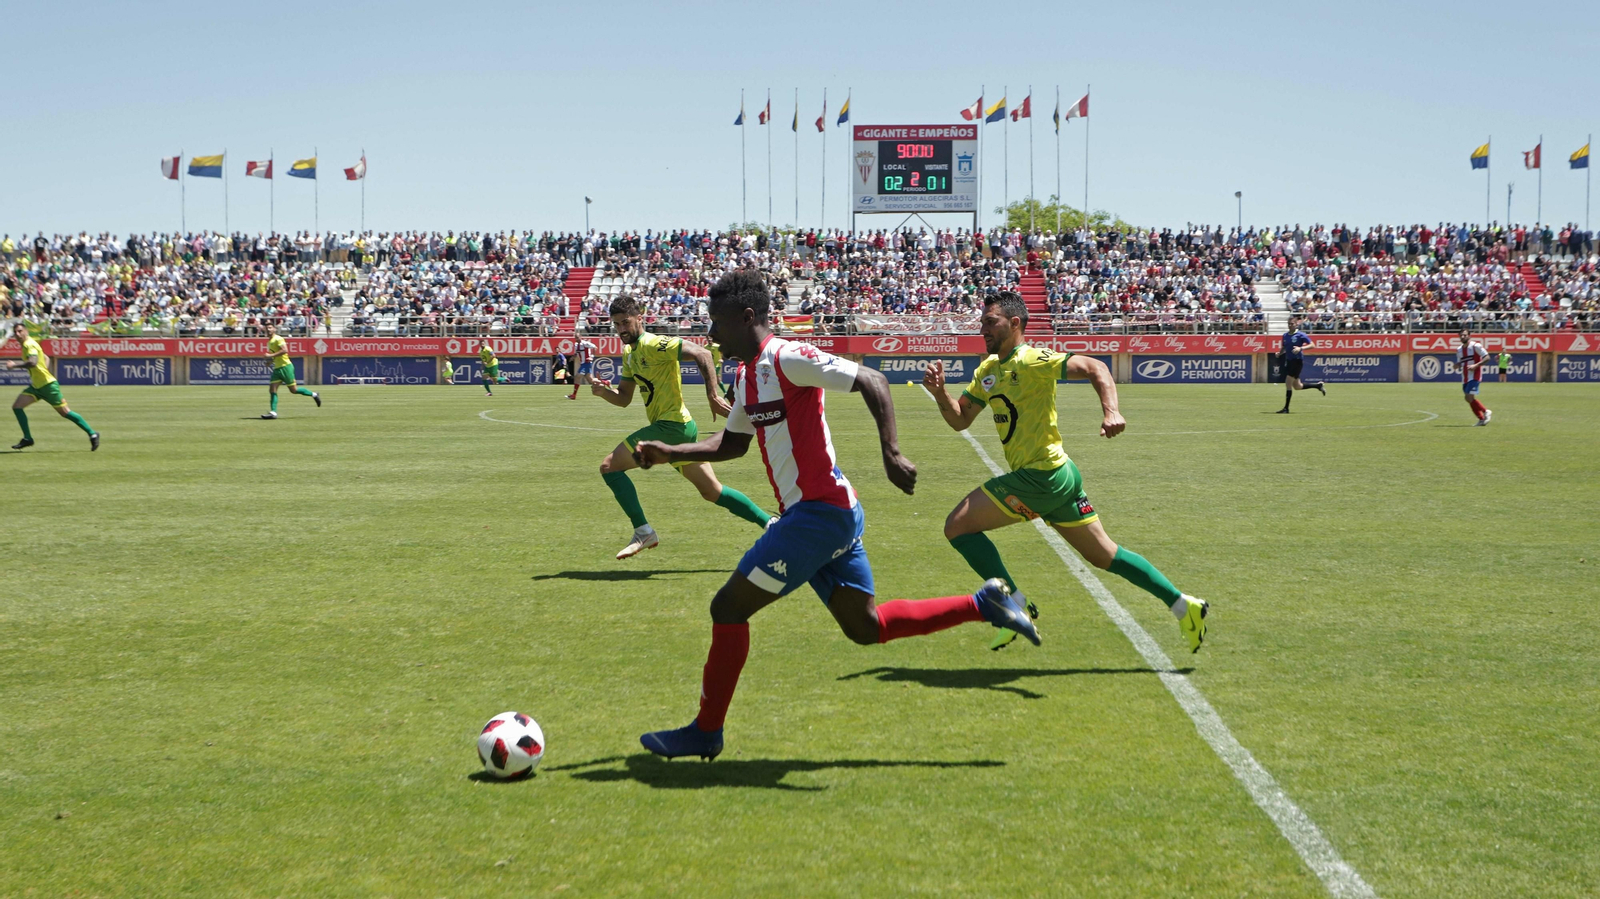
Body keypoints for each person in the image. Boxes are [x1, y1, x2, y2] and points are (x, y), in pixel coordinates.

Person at [632, 270, 1037, 760]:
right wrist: (668, 451)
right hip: (828, 516)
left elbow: (872, 377)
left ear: (746, 317)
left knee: (728, 608)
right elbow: (731, 444)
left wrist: (890, 451)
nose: (711, 336)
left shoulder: (787, 356)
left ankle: (705, 731)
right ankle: (984, 605)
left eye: (717, 323)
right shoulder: (750, 374)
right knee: (864, 628)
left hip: (817, 516)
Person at [923, 292, 1209, 652]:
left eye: (990, 322)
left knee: (958, 526)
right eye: (982, 322)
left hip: (1041, 476)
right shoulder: (988, 371)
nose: (983, 329)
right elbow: (961, 420)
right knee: (1105, 555)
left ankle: (1015, 606)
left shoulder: (1031, 360)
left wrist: (1111, 411)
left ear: (1015, 324)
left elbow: (1096, 367)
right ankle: (1185, 605)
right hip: (1058, 475)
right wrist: (939, 395)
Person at [590, 295, 775, 559]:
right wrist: (602, 393)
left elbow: (701, 353)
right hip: (678, 428)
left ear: (639, 318)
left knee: (610, 466)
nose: (621, 329)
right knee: (712, 491)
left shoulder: (654, 343)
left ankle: (643, 532)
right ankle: (770, 523)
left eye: (626, 323)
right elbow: (623, 399)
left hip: (672, 427)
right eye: (617, 324)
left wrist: (712, 394)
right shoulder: (630, 353)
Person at [5, 323, 98, 451]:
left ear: (26, 331)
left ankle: (92, 433)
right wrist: (43, 371)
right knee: (17, 406)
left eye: (20, 331)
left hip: (48, 386)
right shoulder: (28, 344)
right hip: (37, 387)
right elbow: (46, 358)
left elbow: (32, 362)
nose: (18, 334)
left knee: (65, 412)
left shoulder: (29, 345)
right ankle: (27, 438)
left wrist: (14, 365)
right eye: (15, 332)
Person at [260, 321, 320, 419]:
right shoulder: (269, 342)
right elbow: (276, 354)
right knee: (272, 389)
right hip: (277, 368)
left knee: (294, 390)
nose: (268, 329)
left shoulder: (278, 339)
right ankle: (273, 412)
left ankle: (314, 394)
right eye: (267, 328)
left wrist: (270, 355)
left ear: (274, 329)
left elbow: (285, 350)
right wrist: (270, 362)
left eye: (270, 327)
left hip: (285, 367)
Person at [1277, 318, 1327, 413]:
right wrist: (1279, 353)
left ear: (1296, 324)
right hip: (1289, 361)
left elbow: (1312, 345)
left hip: (1297, 361)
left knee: (1288, 382)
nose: (1290, 325)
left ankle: (1286, 408)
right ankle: (1318, 386)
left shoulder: (1301, 335)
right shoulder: (1285, 335)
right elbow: (1284, 347)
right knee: (1297, 386)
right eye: (1289, 324)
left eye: (1292, 324)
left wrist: (1301, 348)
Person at [1457, 331, 1491, 426]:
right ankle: (1481, 419)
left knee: (1469, 396)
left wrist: (1476, 365)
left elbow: (1487, 357)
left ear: (1469, 336)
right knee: (1468, 398)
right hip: (1465, 377)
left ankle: (1485, 411)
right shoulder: (1459, 349)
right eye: (1461, 335)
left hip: (1475, 376)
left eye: (1465, 335)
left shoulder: (1476, 346)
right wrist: (1457, 365)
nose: (1463, 337)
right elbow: (1462, 362)